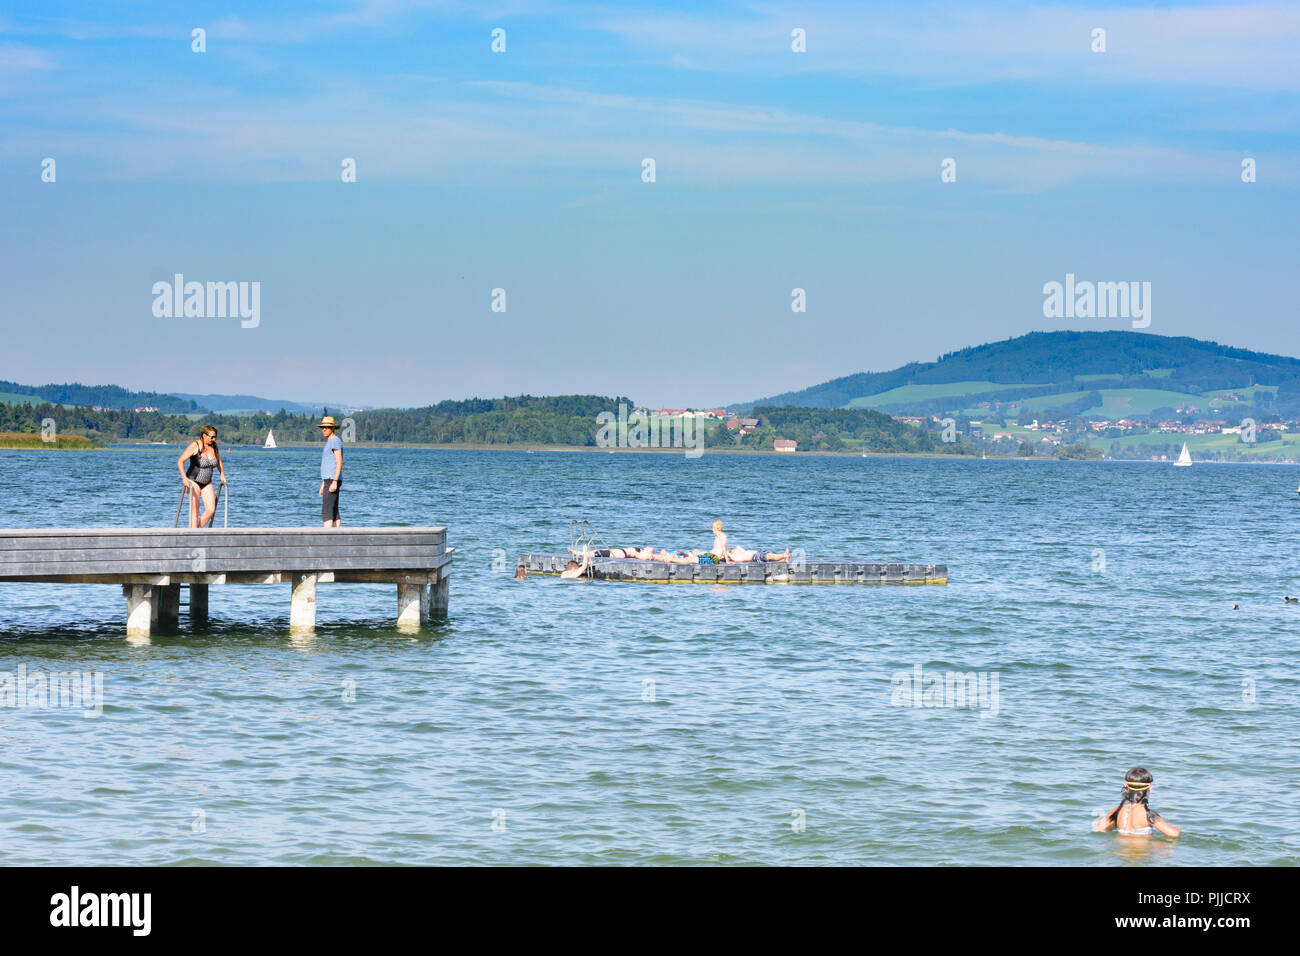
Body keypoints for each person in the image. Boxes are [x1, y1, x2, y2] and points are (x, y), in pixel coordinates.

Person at [1093, 767, 1181, 837]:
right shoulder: (1149, 814)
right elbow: (1174, 834)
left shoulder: (1117, 811)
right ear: (1149, 788)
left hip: (1120, 853)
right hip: (1140, 855)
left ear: (1126, 786)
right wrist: (1178, 828)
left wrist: (1116, 824)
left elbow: (1098, 828)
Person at [177, 425, 225, 528]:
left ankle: (198, 530)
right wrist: (184, 478)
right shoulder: (195, 445)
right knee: (195, 511)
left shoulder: (214, 446)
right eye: (212, 437)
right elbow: (180, 461)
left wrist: (222, 474)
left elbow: (218, 461)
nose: (214, 439)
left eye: (215, 436)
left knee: (211, 510)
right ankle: (193, 536)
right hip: (193, 480)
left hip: (207, 482)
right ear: (204, 435)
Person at [317, 415, 343, 528]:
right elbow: (329, 464)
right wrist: (323, 483)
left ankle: (326, 538)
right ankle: (337, 536)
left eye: (327, 427)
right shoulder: (330, 442)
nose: (324, 429)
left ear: (333, 428)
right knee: (333, 510)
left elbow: (339, 462)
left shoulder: (335, 441)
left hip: (333, 480)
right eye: (323, 427)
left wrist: (335, 481)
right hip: (328, 480)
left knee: (327, 510)